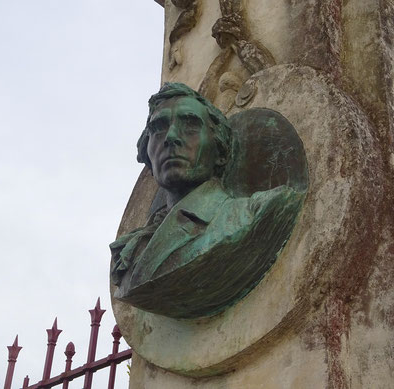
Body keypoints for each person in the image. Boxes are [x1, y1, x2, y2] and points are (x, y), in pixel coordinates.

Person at [111, 83, 304, 318]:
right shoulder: (131, 250)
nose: (171, 137)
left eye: (190, 125)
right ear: (148, 156)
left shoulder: (257, 212)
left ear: (220, 152)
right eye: (159, 128)